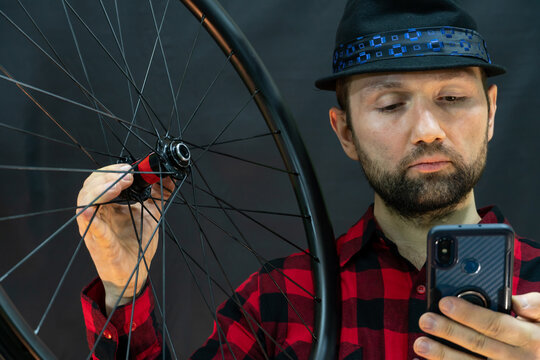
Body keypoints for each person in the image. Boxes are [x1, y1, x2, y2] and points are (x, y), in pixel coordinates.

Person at [77, 0, 540, 358]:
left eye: (453, 97)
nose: (427, 130)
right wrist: (125, 288)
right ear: (345, 132)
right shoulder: (279, 302)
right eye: (391, 105)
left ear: (492, 111)